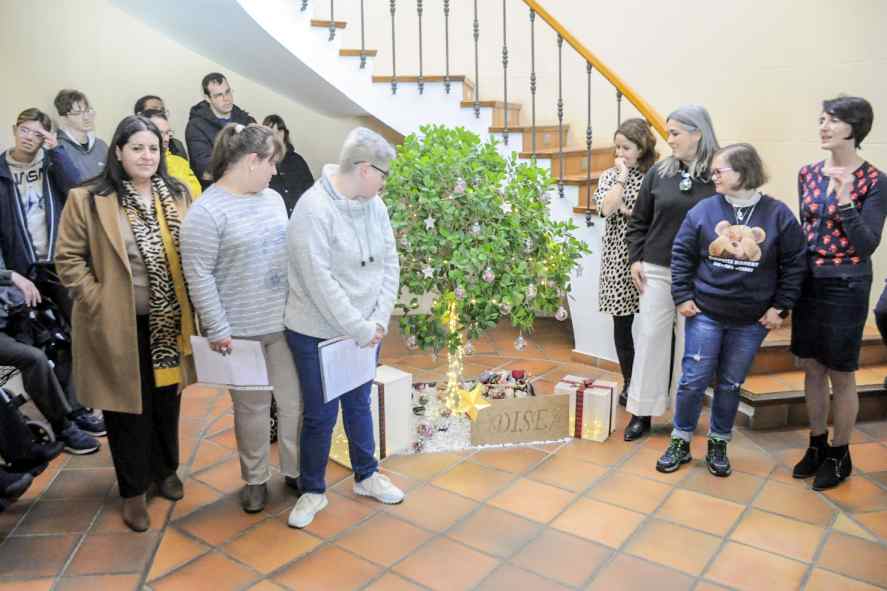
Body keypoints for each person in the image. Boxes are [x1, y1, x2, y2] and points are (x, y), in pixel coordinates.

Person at [55, 115, 197, 532]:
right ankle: (133, 490)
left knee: (166, 401)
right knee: (126, 410)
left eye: (153, 148)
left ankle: (164, 470)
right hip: (116, 322)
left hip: (168, 321)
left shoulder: (176, 194)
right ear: (118, 151)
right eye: (137, 147)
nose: (146, 155)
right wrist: (99, 300)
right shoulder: (89, 198)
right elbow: (68, 259)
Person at [658, 143, 806, 476]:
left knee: (729, 384)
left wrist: (780, 308)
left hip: (751, 320)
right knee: (694, 380)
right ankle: (680, 440)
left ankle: (718, 444)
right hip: (705, 313)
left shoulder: (778, 214)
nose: (713, 176)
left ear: (742, 171)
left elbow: (796, 263)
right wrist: (682, 295)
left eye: (719, 170)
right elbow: (681, 254)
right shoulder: (703, 210)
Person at [181, 124, 302, 514]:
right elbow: (198, 275)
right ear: (252, 161)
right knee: (250, 411)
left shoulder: (271, 200)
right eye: (271, 164)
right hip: (239, 334)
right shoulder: (206, 211)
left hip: (282, 325)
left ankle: (296, 471)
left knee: (293, 403)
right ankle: (255, 480)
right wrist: (217, 329)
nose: (274, 172)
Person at [284, 128, 401, 528]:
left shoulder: (375, 205)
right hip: (317, 330)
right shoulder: (313, 208)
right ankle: (312, 490)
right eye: (383, 175)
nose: (385, 184)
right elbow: (319, 283)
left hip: (367, 328)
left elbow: (390, 264)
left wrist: (379, 320)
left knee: (359, 403)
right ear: (365, 169)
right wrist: (358, 327)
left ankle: (367, 476)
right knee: (320, 414)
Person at [791, 96, 886, 491]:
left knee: (842, 374)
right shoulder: (807, 173)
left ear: (854, 127)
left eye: (831, 121)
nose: (823, 127)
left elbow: (866, 244)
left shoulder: (875, 180)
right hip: (810, 281)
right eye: (821, 120)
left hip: (847, 283)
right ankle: (817, 444)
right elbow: (806, 229)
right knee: (811, 367)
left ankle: (841, 452)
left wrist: (846, 200)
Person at [0, 108, 104, 438]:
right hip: (21, 272)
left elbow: (79, 190)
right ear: (15, 130)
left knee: (75, 339)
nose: (30, 138)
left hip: (57, 266)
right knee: (43, 345)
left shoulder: (50, 165)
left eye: (38, 133)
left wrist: (55, 150)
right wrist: (8, 274)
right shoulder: (1, 171)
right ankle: (67, 419)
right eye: (25, 131)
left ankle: (80, 408)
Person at [624, 105, 720, 441]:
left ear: (698, 133)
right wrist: (636, 259)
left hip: (699, 275)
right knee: (650, 337)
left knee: (690, 348)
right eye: (668, 132)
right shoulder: (659, 173)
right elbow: (639, 221)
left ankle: (684, 416)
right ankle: (642, 412)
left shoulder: (718, 175)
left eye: (675, 133)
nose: (669, 139)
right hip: (657, 269)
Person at [0, 247, 101, 454]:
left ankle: (76, 411)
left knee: (56, 336)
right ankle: (63, 426)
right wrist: (11, 275)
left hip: (10, 312)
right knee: (33, 358)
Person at [592, 119, 658, 406]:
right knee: (623, 325)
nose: (621, 153)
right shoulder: (610, 175)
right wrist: (621, 176)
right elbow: (606, 209)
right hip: (617, 258)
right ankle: (630, 382)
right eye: (617, 147)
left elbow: (657, 218)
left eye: (627, 147)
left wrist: (628, 210)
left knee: (655, 324)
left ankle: (653, 384)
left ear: (642, 148)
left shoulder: (656, 176)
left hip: (649, 255)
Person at [186, 73, 255, 189]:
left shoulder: (245, 120)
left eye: (228, 92)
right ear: (208, 98)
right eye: (219, 95)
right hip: (217, 192)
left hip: (248, 187)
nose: (226, 98)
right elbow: (205, 171)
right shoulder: (196, 127)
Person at [142, 109, 202, 200]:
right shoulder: (142, 164)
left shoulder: (180, 162)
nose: (166, 139)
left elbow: (197, 193)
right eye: (160, 133)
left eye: (168, 133)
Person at [262, 115, 314, 217]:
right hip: (272, 220)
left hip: (299, 219)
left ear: (285, 133)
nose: (276, 135)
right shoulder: (261, 162)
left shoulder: (297, 160)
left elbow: (310, 190)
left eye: (279, 131)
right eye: (272, 131)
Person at [54, 89, 108, 181]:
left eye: (87, 111)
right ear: (64, 118)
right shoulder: (58, 149)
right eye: (77, 113)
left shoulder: (101, 145)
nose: (86, 117)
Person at [134, 95, 188, 159]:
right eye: (153, 110)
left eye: (162, 110)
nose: (159, 113)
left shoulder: (177, 145)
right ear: (139, 116)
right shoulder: (130, 145)